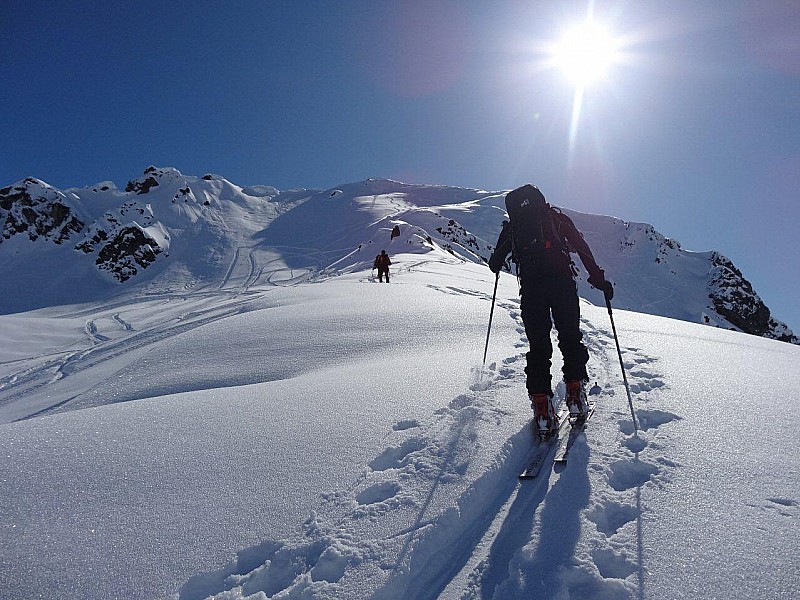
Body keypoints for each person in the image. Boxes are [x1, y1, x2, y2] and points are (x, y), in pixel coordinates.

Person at [488, 184, 613, 437]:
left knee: (538, 347)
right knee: (569, 337)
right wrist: (599, 279)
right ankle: (575, 394)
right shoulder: (555, 218)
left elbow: (494, 265)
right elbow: (581, 247)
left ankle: (543, 408)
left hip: (532, 291)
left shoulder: (513, 228)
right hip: (562, 285)